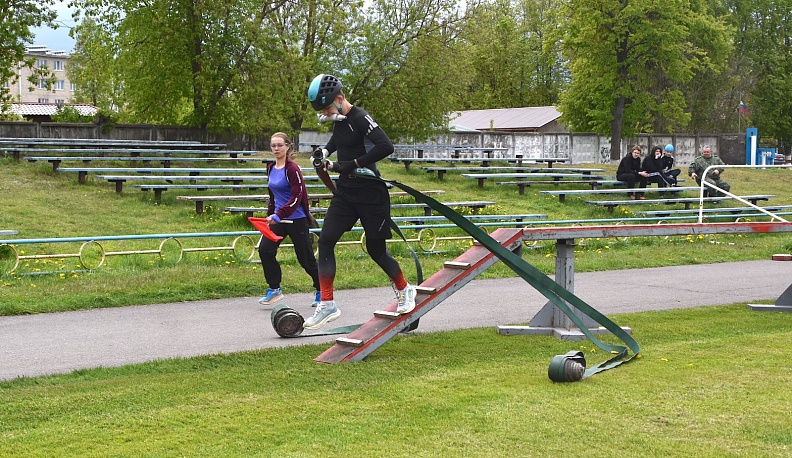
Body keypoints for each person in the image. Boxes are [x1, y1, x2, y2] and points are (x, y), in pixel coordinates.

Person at [303, 73, 416, 330]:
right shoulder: (341, 120)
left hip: (370, 194)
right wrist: (324, 152)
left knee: (376, 251)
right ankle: (328, 303)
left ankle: (405, 289)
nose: (325, 114)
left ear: (340, 99)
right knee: (326, 239)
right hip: (346, 193)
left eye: (327, 108)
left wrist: (349, 164)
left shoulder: (360, 117)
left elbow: (385, 146)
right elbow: (338, 140)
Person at [256, 132, 321, 308]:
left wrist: (279, 215)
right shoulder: (270, 168)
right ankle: (274, 288)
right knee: (265, 251)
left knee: (305, 258)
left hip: (296, 219)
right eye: (273, 146)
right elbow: (273, 195)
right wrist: (270, 215)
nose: (276, 149)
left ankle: (321, 290)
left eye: (280, 145)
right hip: (278, 220)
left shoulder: (292, 169)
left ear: (287, 147)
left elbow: (296, 196)